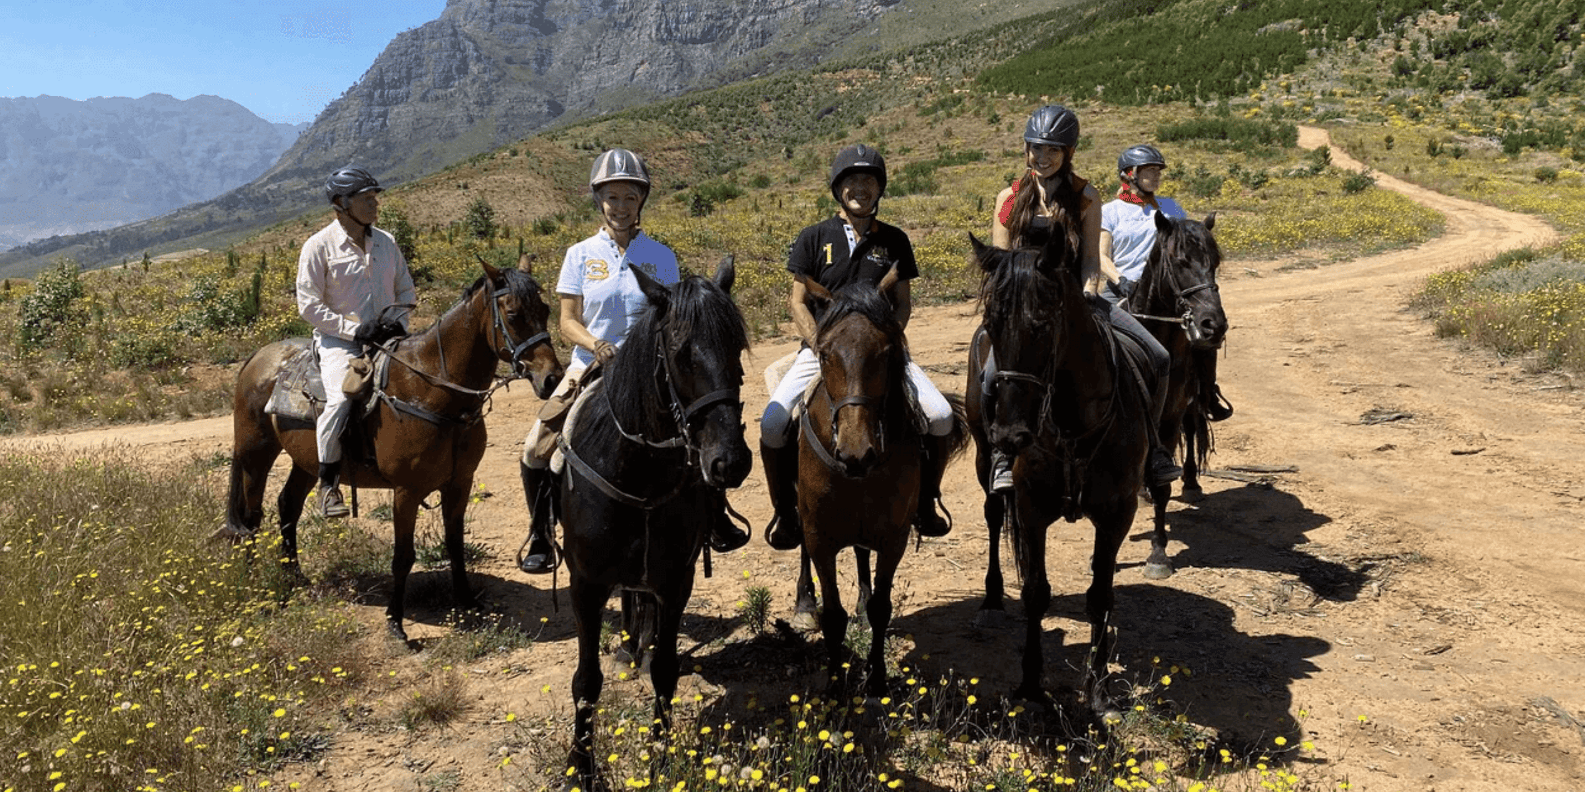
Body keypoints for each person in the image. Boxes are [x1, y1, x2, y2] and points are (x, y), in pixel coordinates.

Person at [517, 148, 750, 574]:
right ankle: (541, 533)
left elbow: (677, 317)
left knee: (694, 431)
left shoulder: (661, 256)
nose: (620, 207)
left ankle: (715, 514)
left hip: (652, 368)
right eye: (612, 197)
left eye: (629, 197)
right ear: (599, 200)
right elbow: (568, 321)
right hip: (591, 363)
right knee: (537, 447)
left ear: (640, 201)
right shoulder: (579, 255)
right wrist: (597, 344)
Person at [760, 143, 958, 551]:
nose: (860, 189)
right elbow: (797, 301)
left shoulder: (896, 241)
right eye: (851, 181)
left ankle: (925, 502)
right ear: (838, 188)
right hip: (822, 351)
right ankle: (785, 512)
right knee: (772, 424)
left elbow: (902, 303)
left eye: (868, 182)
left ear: (879, 189)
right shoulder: (814, 237)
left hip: (881, 353)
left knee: (939, 416)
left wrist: (888, 335)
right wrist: (818, 344)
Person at [984, 106, 1182, 493]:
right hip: (1025, 306)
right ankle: (1000, 456)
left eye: (1052, 151)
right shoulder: (1009, 197)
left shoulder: (1086, 197)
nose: (1042, 158)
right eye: (1036, 149)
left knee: (1157, 357)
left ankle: (1154, 450)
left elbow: (1091, 259)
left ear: (1068, 152)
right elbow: (1000, 260)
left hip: (1075, 300)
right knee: (991, 374)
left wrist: (1090, 295)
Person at [296, 166, 415, 519]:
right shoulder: (318, 247)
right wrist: (353, 330)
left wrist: (397, 323)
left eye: (375, 197)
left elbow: (405, 289)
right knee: (341, 400)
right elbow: (309, 305)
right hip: (339, 343)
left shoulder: (387, 242)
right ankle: (328, 483)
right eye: (367, 199)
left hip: (390, 337)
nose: (375, 204)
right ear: (341, 203)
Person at [1101, 144, 1233, 421]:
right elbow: (1100, 256)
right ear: (1129, 174)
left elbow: (1188, 246)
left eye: (1158, 170)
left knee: (1205, 332)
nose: (1157, 176)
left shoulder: (1171, 207)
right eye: (1149, 170)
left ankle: (1206, 392)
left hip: (1167, 291)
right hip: (1121, 288)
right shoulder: (1110, 212)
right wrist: (1120, 279)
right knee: (1093, 333)